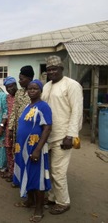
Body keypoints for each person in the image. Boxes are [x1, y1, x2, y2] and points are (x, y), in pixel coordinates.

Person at [41, 55, 83, 215]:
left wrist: (71, 135)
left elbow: (77, 111)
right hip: (48, 136)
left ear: (61, 69)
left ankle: (63, 202)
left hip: (63, 136)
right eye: (48, 70)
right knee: (50, 169)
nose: (51, 72)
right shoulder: (47, 86)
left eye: (54, 69)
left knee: (58, 171)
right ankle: (52, 196)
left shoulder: (72, 85)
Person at [13, 79, 52, 222]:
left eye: (35, 88)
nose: (32, 91)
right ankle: (29, 201)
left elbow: (47, 128)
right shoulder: (28, 106)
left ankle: (39, 210)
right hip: (22, 148)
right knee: (26, 172)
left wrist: (37, 149)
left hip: (34, 148)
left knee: (37, 177)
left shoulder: (44, 107)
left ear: (40, 90)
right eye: (30, 88)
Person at [2, 76, 18, 182]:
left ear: (16, 85)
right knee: (8, 150)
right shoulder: (7, 98)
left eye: (11, 86)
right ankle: (11, 172)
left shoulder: (21, 96)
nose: (10, 89)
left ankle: (17, 175)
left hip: (19, 129)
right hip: (8, 128)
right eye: (7, 87)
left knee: (17, 151)